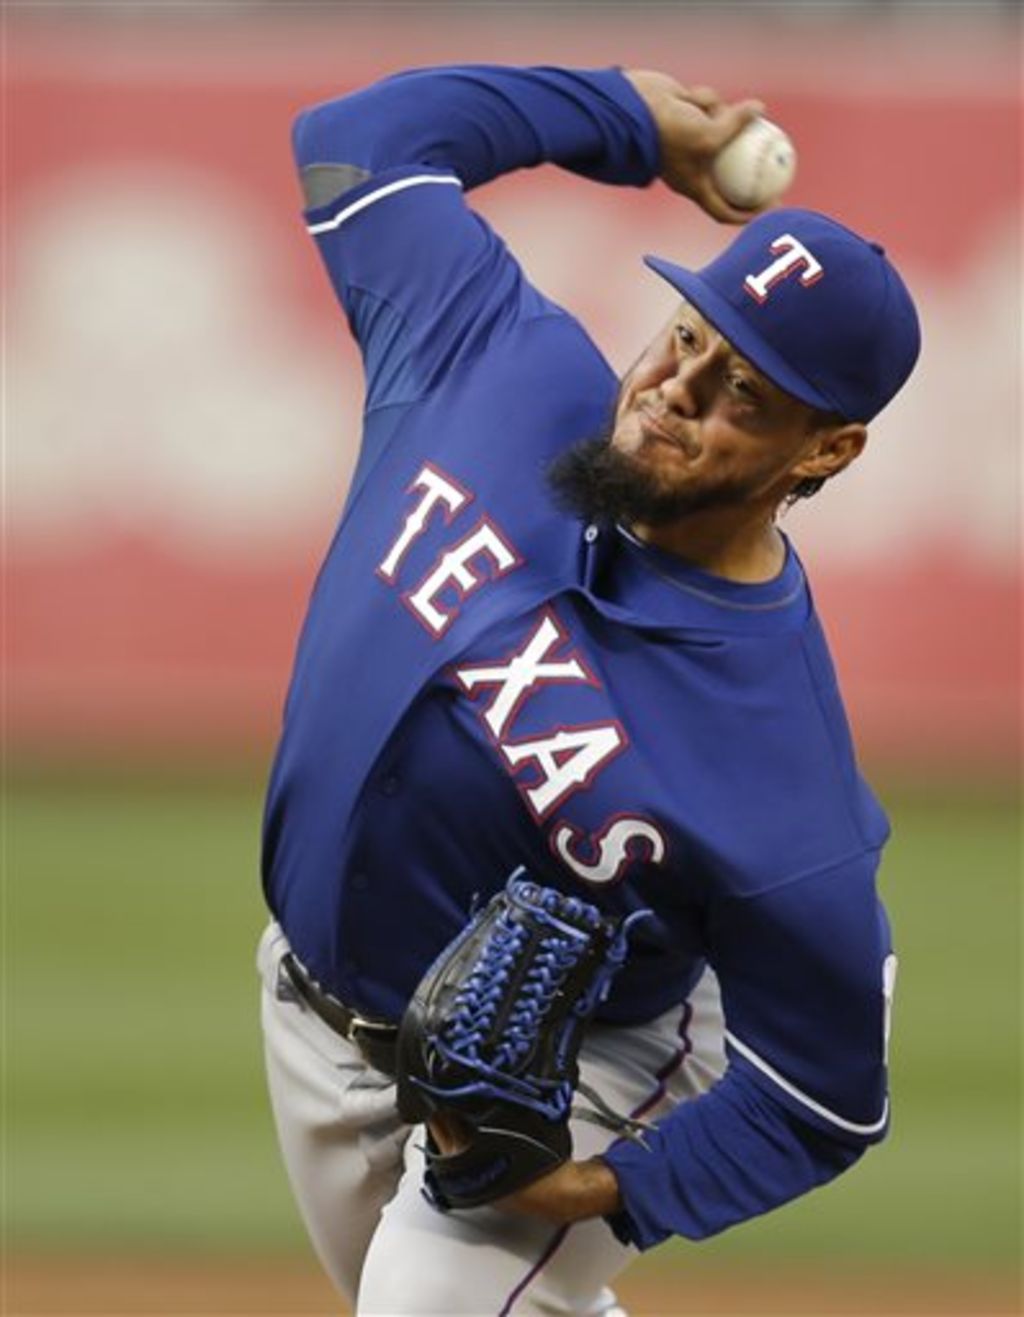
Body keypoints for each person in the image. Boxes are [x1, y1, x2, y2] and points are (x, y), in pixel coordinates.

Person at [256, 64, 920, 1316]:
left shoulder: (774, 763)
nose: (675, 390)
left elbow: (827, 1093)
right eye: (689, 337)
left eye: (742, 393)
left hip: (580, 1068)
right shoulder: (490, 360)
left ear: (826, 448)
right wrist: (621, 118)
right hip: (310, 1008)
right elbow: (355, 142)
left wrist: (606, 1188)